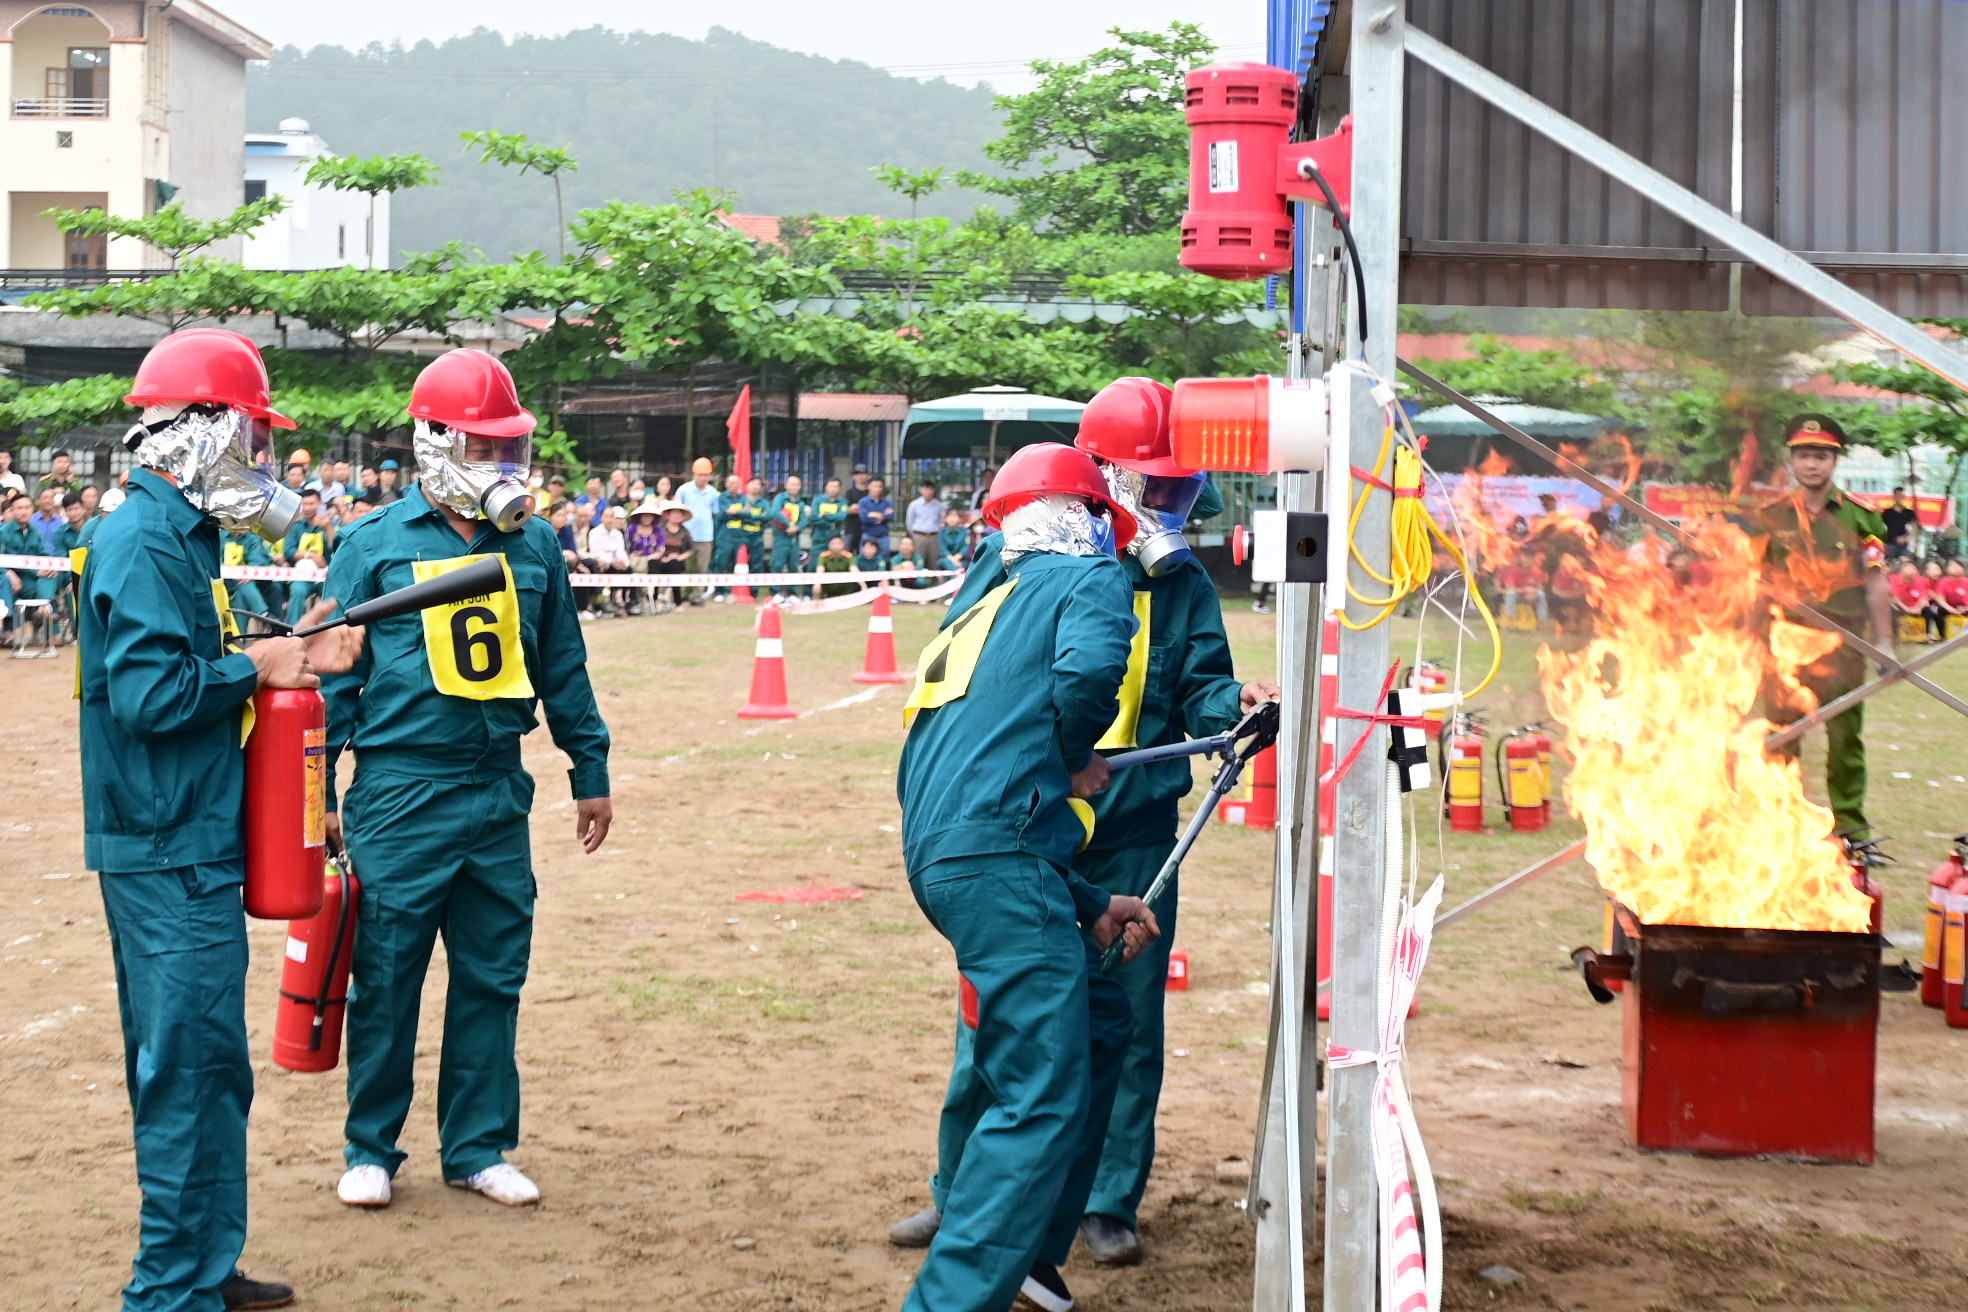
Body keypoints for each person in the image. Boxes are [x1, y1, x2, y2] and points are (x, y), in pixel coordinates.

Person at [891, 382, 1277, 1271]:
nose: (1171, 505)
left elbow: (1200, 688)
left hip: (1131, 828)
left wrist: (1237, 703)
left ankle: (1105, 1200)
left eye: (1181, 489)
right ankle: (964, 1192)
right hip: (1025, 822)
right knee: (998, 1014)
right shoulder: (1014, 560)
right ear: (1102, 478)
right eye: (1156, 486)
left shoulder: (1181, 584)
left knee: (1125, 1020)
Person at [80, 326, 362, 1312]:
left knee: (210, 1070)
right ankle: (170, 1291)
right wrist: (256, 665)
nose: (264, 459)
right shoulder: (146, 539)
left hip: (189, 835)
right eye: (254, 436)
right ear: (201, 430)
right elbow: (150, 696)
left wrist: (292, 650)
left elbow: (204, 673)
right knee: (186, 1074)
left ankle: (205, 1266)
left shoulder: (181, 535)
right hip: (165, 847)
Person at [321, 348, 611, 1212]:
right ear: (437, 442)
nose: (500, 463)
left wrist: (589, 766)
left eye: (508, 447)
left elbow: (561, 662)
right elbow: (330, 679)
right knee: (386, 973)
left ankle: (478, 1147)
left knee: (492, 973)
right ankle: (371, 1147)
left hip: (495, 789)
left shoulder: (534, 544)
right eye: (483, 447)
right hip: (399, 790)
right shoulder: (371, 544)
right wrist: (316, 797)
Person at [892, 441, 1158, 1312]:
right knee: (1041, 1091)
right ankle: (952, 1299)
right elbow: (1090, 674)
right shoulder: (1091, 578)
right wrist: (1075, 758)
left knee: (1102, 1020)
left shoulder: (980, 610)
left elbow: (971, 777)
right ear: (1086, 518)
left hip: (952, 857)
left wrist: (1089, 901)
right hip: (997, 864)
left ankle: (1033, 1255)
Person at [1756, 413, 1892, 839]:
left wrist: (1885, 642)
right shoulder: (1772, 516)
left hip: (1842, 646)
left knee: (1845, 737)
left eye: (1821, 456)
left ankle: (1850, 827)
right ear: (1792, 461)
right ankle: (1781, 821)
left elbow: (1876, 582)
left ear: (1835, 461)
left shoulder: (1862, 517)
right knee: (1781, 737)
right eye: (1804, 456)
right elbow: (1754, 585)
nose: (1812, 464)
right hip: (1784, 643)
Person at [282, 490, 335, 626]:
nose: (307, 508)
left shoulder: (328, 525)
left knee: (332, 593)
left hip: (325, 576)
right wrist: (310, 556)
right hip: (302, 576)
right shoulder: (296, 527)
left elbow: (336, 547)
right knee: (297, 591)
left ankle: (330, 629)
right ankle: (293, 629)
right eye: (304, 504)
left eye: (311, 504)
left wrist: (328, 528)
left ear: (320, 504)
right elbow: (288, 551)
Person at [677, 458, 722, 601]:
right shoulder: (683, 490)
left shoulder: (713, 493)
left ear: (710, 476)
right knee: (685, 567)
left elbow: (715, 513)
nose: (702, 478)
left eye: (705, 475)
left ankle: (697, 596)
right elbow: (676, 510)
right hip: (686, 535)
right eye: (700, 474)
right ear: (693, 474)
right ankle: (683, 593)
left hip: (705, 535)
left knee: (702, 567)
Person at [588, 504, 632, 616]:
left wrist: (624, 562)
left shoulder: (617, 534)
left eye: (611, 516)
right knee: (597, 566)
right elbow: (595, 552)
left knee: (627, 569)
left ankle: (624, 601)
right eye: (606, 516)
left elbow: (620, 551)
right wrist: (611, 562)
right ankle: (599, 602)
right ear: (601, 518)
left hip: (615, 563)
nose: (608, 519)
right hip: (601, 563)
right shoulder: (594, 533)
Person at [769, 473, 808, 598]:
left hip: (794, 537)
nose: (794, 487)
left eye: (797, 485)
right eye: (792, 484)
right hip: (781, 536)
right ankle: (775, 592)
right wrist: (789, 524)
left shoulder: (800, 502)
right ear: (786, 485)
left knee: (794, 564)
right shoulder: (780, 498)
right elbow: (775, 512)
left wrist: (797, 527)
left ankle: (792, 593)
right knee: (777, 564)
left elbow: (804, 519)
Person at [625, 498, 664, 615]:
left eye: (649, 515)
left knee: (655, 565)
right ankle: (634, 600)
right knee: (630, 568)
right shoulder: (632, 529)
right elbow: (627, 546)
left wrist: (654, 555)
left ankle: (654, 598)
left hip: (652, 559)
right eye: (644, 515)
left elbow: (661, 548)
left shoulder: (658, 530)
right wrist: (632, 555)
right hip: (635, 560)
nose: (647, 518)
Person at [653, 501, 695, 611]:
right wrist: (661, 556)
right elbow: (654, 545)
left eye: (679, 513)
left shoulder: (684, 531)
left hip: (677, 560)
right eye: (674, 513)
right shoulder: (661, 529)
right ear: (668, 515)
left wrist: (679, 557)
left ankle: (678, 602)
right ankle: (654, 600)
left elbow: (691, 549)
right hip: (661, 558)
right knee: (655, 566)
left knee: (674, 566)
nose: (676, 515)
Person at [809, 477, 853, 571]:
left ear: (840, 488)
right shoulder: (818, 500)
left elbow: (841, 517)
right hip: (819, 538)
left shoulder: (843, 502)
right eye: (831, 486)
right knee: (814, 565)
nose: (833, 489)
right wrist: (831, 522)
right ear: (826, 487)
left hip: (835, 538)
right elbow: (814, 518)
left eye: (836, 486)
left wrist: (824, 515)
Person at [907, 481, 945, 564]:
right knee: (918, 561)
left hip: (934, 537)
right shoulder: (914, 505)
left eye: (930, 489)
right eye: (926, 489)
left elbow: (941, 521)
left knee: (934, 562)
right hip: (919, 536)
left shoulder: (939, 505)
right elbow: (909, 522)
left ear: (934, 491)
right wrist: (914, 535)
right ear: (921, 490)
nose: (928, 492)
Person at [1890, 557, 1929, 638]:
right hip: (1901, 605)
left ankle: (1925, 635)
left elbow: (1924, 599)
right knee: (1893, 610)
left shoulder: (1920, 581)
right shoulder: (1895, 579)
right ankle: (1896, 635)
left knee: (1928, 610)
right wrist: (1907, 609)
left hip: (1915, 607)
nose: (1911, 571)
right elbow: (1895, 598)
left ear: (1917, 572)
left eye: (1913, 569)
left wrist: (1918, 608)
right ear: (1901, 571)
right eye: (1908, 568)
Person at [858, 477, 896, 557]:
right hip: (868, 536)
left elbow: (891, 517)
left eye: (879, 486)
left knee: (883, 560)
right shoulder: (863, 502)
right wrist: (882, 516)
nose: (877, 489)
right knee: (866, 559)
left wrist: (875, 515)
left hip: (883, 537)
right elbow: (864, 518)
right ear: (868, 487)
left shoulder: (887, 502)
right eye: (874, 486)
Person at [1881, 486, 1918, 561]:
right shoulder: (1887, 513)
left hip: (1905, 546)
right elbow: (1882, 528)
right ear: (1894, 496)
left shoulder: (1909, 513)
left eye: (1901, 495)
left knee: (1906, 562)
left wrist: (1906, 538)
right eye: (1898, 495)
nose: (1900, 497)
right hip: (1890, 545)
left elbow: (1915, 527)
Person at [814, 534, 857, 598]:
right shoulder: (823, 556)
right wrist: (817, 584)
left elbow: (854, 570)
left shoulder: (849, 556)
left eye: (839, 543)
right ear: (829, 545)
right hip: (828, 586)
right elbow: (820, 571)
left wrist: (863, 586)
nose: (836, 546)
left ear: (843, 545)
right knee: (817, 587)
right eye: (833, 543)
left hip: (844, 587)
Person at [1935, 559, 1968, 639]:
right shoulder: (1943, 582)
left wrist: (1964, 608)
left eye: (1959, 566)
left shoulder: (1966, 582)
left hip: (1963, 608)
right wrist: (1952, 610)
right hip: (1948, 607)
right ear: (1947, 569)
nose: (1956, 569)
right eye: (1953, 566)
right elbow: (1941, 600)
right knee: (1938, 610)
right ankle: (1943, 635)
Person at [845, 468, 872, 553]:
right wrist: (864, 510)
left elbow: (873, 509)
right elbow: (846, 510)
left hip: (867, 529)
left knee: (865, 553)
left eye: (862, 474)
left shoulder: (870, 492)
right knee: (847, 553)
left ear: (867, 476)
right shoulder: (850, 492)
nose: (860, 476)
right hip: (851, 528)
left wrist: (858, 508)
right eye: (857, 474)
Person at [937, 507, 971, 572]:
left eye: (955, 516)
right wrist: (953, 560)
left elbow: (966, 547)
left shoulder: (965, 533)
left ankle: (956, 575)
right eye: (950, 516)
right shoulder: (941, 533)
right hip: (946, 559)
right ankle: (958, 575)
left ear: (960, 519)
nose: (952, 519)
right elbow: (943, 549)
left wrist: (956, 558)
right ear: (945, 519)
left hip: (961, 560)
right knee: (945, 562)